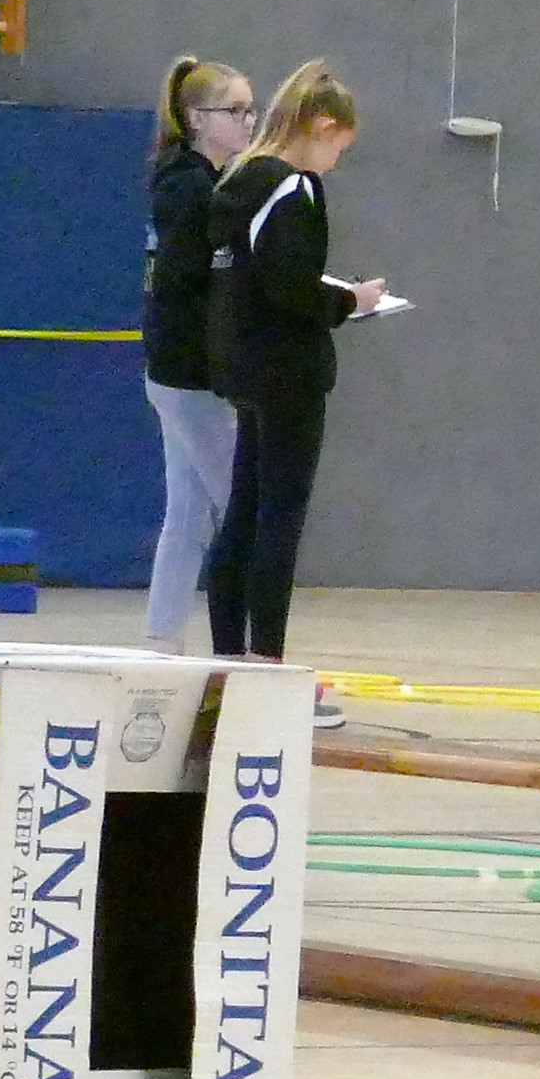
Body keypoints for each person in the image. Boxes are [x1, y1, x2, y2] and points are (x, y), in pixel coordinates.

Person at [203, 60, 385, 692]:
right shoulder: (292, 187)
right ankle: (267, 666)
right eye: (339, 148)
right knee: (279, 516)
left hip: (242, 363)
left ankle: (228, 656)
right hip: (287, 370)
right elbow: (289, 287)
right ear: (323, 128)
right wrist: (350, 301)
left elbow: (252, 274)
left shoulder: (239, 177)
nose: (335, 163)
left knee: (244, 511)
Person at [144, 56, 257, 649]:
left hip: (176, 372)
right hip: (190, 376)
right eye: (234, 111)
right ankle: (252, 654)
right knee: (247, 510)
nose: (247, 123)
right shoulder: (192, 190)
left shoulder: (195, 183)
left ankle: (163, 647)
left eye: (249, 110)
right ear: (196, 119)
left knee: (187, 517)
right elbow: (195, 286)